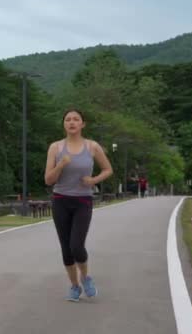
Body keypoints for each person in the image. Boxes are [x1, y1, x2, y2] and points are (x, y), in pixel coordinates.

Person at [44, 108, 113, 302]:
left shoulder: (92, 146)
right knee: (66, 249)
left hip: (83, 201)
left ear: (83, 124)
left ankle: (86, 277)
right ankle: (74, 286)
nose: (72, 122)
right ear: (64, 124)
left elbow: (108, 169)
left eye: (76, 119)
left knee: (76, 245)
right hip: (60, 200)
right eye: (68, 119)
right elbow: (48, 180)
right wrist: (61, 165)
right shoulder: (55, 148)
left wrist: (94, 180)